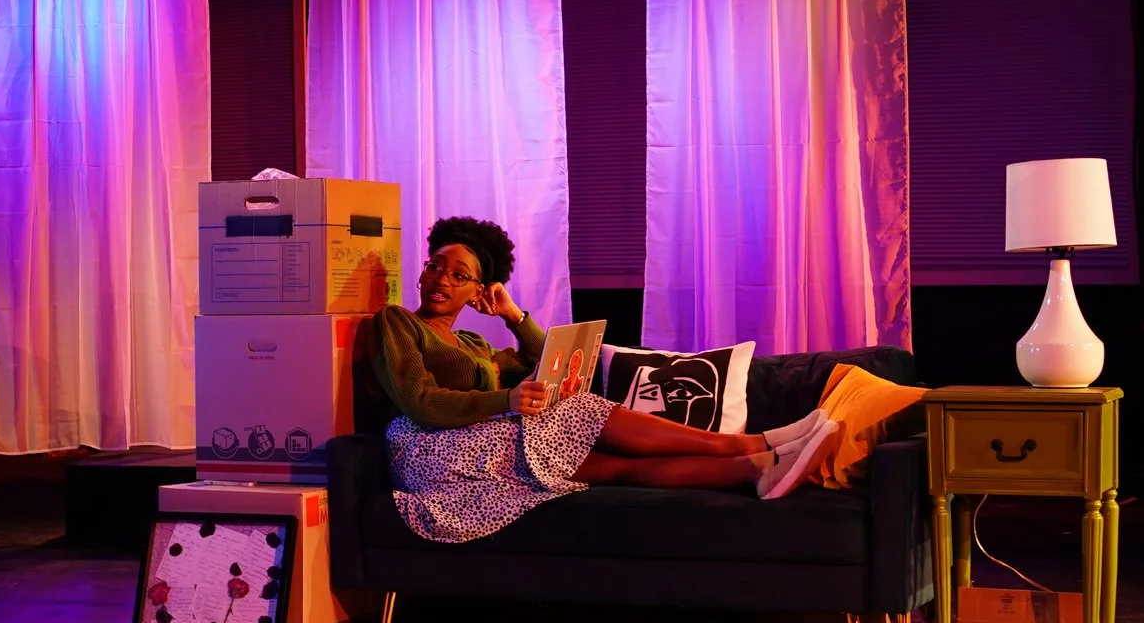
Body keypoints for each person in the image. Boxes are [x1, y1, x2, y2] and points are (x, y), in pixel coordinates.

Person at [355, 216, 839, 544]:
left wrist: (513, 315)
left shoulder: (474, 345)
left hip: (482, 443)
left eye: (458, 275)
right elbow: (420, 401)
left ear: (478, 290)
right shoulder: (397, 322)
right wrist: (506, 400)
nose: (441, 278)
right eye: (435, 266)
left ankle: (757, 470)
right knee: (579, 408)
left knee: (617, 469)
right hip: (426, 450)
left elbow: (543, 365)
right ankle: (753, 443)